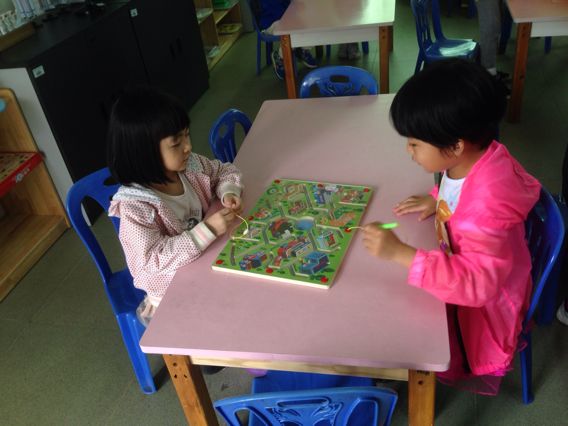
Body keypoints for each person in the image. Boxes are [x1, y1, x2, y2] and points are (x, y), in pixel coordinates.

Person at [362, 59, 541, 395]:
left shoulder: (485, 208)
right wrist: (438, 200)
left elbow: (477, 285)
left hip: (486, 305)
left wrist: (402, 254)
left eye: (415, 143)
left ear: (456, 145)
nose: (408, 150)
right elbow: (461, 190)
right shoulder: (481, 154)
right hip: (481, 263)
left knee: (395, 311)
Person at [107, 87, 243, 327]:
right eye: (176, 143)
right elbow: (152, 261)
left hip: (205, 264)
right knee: (225, 321)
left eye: (187, 135)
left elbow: (224, 171)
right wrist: (207, 230)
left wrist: (228, 192)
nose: (188, 147)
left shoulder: (190, 166)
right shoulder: (135, 206)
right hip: (171, 297)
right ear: (145, 151)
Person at [250, 0, 317, 80]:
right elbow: (276, 10)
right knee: (291, 29)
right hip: (270, 22)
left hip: (284, 18)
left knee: (309, 23)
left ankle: (301, 49)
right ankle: (280, 57)